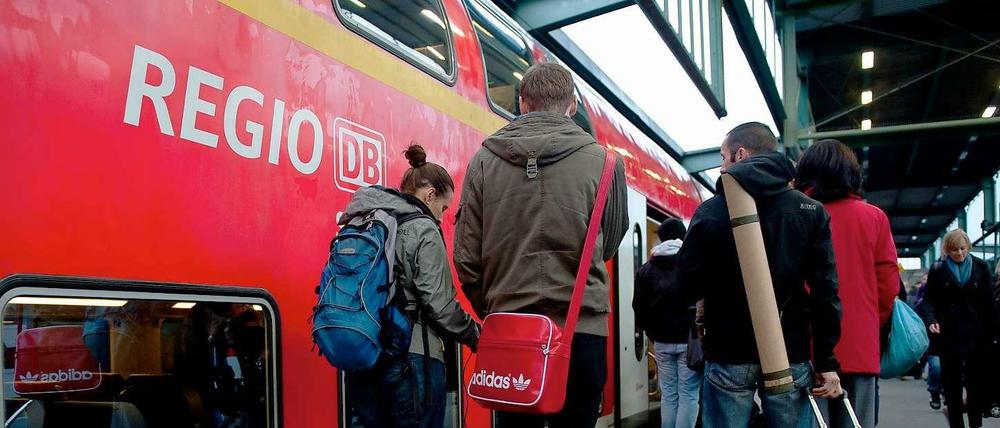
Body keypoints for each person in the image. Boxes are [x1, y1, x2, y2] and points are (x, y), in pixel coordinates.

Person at [454, 62, 628, 428]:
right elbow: (609, 242)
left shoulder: (483, 160)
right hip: (581, 332)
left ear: (522, 102)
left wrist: (497, 305)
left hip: (510, 328)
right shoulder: (607, 163)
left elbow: (466, 257)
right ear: (572, 105)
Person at [676, 122, 842, 428]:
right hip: (789, 351)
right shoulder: (810, 210)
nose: (721, 167)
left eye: (723, 157)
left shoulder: (711, 211)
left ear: (740, 154)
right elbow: (825, 292)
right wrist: (826, 360)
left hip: (728, 351)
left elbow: (685, 285)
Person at [342, 145, 480, 428]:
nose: (441, 216)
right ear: (430, 194)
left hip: (365, 356)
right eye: (443, 207)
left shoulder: (369, 220)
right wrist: (476, 335)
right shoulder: (423, 228)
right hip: (411, 361)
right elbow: (439, 304)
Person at [793, 139, 898, 427]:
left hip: (807, 347)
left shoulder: (798, 215)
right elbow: (888, 286)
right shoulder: (874, 217)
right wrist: (868, 322)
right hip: (860, 344)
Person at [923, 229, 1000, 428]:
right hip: (949, 334)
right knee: (952, 385)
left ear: (968, 247)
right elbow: (929, 300)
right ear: (947, 250)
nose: (959, 253)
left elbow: (989, 303)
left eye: (962, 248)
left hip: (977, 334)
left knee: (975, 384)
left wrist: (995, 332)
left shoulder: (981, 267)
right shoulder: (938, 269)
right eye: (954, 250)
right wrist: (931, 320)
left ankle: (975, 423)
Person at [634, 219, 700, 428]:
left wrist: (651, 333)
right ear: (683, 236)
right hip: (689, 341)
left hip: (661, 342)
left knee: (669, 394)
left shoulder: (646, 270)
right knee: (688, 394)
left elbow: (638, 307)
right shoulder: (691, 264)